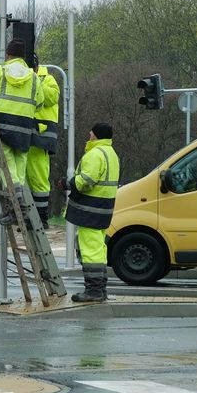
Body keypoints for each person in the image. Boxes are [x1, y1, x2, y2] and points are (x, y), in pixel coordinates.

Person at [62, 122, 121, 303]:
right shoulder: (112, 154)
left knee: (90, 251)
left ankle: (94, 291)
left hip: (90, 211)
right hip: (104, 210)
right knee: (98, 249)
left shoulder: (95, 154)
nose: (89, 137)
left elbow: (86, 181)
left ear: (96, 135)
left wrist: (68, 183)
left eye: (90, 134)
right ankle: (100, 289)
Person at [0, 39, 43, 191]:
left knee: (5, 160)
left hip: (2, 125)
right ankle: (18, 193)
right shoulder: (34, 77)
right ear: (23, 58)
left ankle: (14, 192)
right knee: (21, 160)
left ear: (7, 55)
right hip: (25, 127)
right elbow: (40, 103)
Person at [27, 64, 60, 228]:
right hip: (24, 132)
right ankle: (27, 214)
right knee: (21, 177)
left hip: (40, 136)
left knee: (39, 177)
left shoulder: (48, 79)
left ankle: (41, 217)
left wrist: (33, 81)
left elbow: (51, 97)